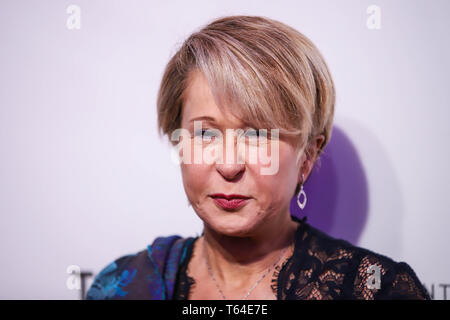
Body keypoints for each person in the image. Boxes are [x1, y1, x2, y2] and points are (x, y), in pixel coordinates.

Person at [86, 15, 430, 300]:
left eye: (257, 135)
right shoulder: (122, 286)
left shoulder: (378, 289)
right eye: (205, 134)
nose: (229, 165)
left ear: (307, 156)